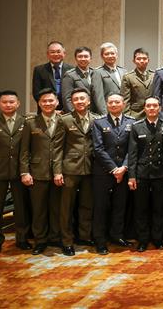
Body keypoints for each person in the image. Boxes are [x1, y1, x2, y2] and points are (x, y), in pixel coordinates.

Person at [0, 90, 32, 258]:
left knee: (21, 208)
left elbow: (27, 149)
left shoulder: (25, 122)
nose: (8, 105)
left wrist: (26, 171)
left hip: (20, 172)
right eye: (5, 102)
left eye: (12, 102)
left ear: (18, 104)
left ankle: (22, 239)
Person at [19, 88, 64, 255]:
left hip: (59, 172)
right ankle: (40, 240)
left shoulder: (63, 121)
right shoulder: (30, 122)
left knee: (56, 208)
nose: (47, 103)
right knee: (38, 209)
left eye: (51, 100)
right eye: (44, 101)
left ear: (57, 102)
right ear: (39, 103)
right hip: (37, 172)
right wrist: (24, 172)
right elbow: (24, 150)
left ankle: (55, 237)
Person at [91, 93, 135, 255]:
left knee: (119, 206)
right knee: (101, 208)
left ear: (123, 104)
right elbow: (98, 149)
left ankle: (117, 235)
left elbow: (133, 149)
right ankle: (100, 240)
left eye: (117, 102)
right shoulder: (98, 122)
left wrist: (123, 168)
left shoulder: (132, 122)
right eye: (111, 102)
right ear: (107, 104)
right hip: (103, 173)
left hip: (123, 172)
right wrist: (113, 169)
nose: (114, 104)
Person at [56, 87, 97, 256]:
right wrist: (57, 171)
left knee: (87, 205)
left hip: (90, 168)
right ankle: (66, 241)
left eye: (82, 98)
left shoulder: (96, 119)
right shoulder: (65, 120)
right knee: (67, 207)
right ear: (72, 102)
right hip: (70, 169)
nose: (79, 101)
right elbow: (58, 147)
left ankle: (84, 236)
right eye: (76, 99)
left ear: (88, 101)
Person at [127, 97, 163, 252]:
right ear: (144, 108)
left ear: (160, 108)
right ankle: (143, 240)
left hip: (160, 174)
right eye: (148, 105)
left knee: (159, 208)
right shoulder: (136, 127)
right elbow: (132, 153)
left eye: (155, 105)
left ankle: (158, 239)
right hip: (141, 174)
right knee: (141, 209)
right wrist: (132, 176)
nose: (151, 108)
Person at [32, 41, 74, 111]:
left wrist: (67, 108)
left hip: (68, 111)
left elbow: (73, 92)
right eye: (52, 52)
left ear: (64, 53)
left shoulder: (72, 69)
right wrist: (50, 108)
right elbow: (36, 93)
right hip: (46, 110)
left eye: (58, 51)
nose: (56, 54)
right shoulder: (39, 70)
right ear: (47, 54)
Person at [91, 42, 127, 115]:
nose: (110, 56)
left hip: (123, 112)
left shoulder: (123, 71)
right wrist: (105, 114)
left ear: (117, 55)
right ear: (102, 56)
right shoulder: (98, 72)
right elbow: (98, 97)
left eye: (112, 53)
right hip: (108, 111)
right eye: (107, 54)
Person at [121, 48, 155, 120]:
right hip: (135, 114)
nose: (142, 61)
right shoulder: (128, 77)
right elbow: (125, 100)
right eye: (138, 59)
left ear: (148, 60)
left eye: (144, 59)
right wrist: (127, 117)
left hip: (152, 113)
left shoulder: (154, 75)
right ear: (134, 61)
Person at [61, 46, 96, 113]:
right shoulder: (70, 75)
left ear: (90, 58)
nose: (83, 59)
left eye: (86, 56)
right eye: (80, 56)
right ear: (76, 58)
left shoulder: (95, 73)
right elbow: (67, 99)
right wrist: (74, 115)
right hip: (78, 113)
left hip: (95, 114)